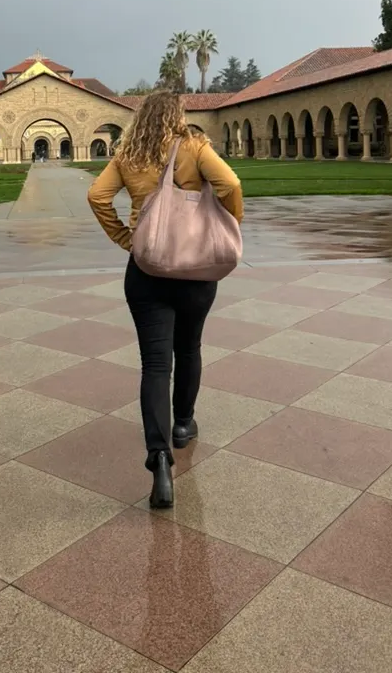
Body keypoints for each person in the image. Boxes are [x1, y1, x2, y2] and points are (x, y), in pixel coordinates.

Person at [87, 90, 243, 509]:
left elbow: (97, 196)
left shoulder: (128, 155)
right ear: (178, 114)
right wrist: (232, 221)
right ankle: (183, 424)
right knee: (189, 347)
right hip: (195, 269)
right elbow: (230, 183)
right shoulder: (193, 145)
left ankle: (158, 454)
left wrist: (124, 236)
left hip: (147, 269)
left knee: (155, 364)